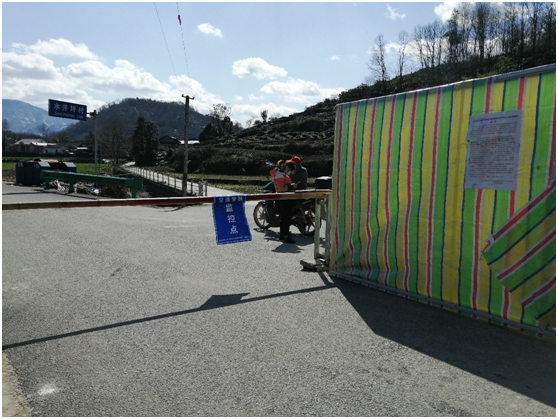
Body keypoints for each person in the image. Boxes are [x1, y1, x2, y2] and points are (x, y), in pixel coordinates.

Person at [273, 162, 296, 244]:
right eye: (290, 169)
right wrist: (291, 186)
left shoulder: (282, 174)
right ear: (286, 167)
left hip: (285, 197)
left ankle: (283, 234)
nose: (290, 171)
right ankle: (286, 235)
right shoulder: (280, 175)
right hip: (283, 198)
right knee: (287, 217)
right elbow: (281, 188)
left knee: (284, 217)